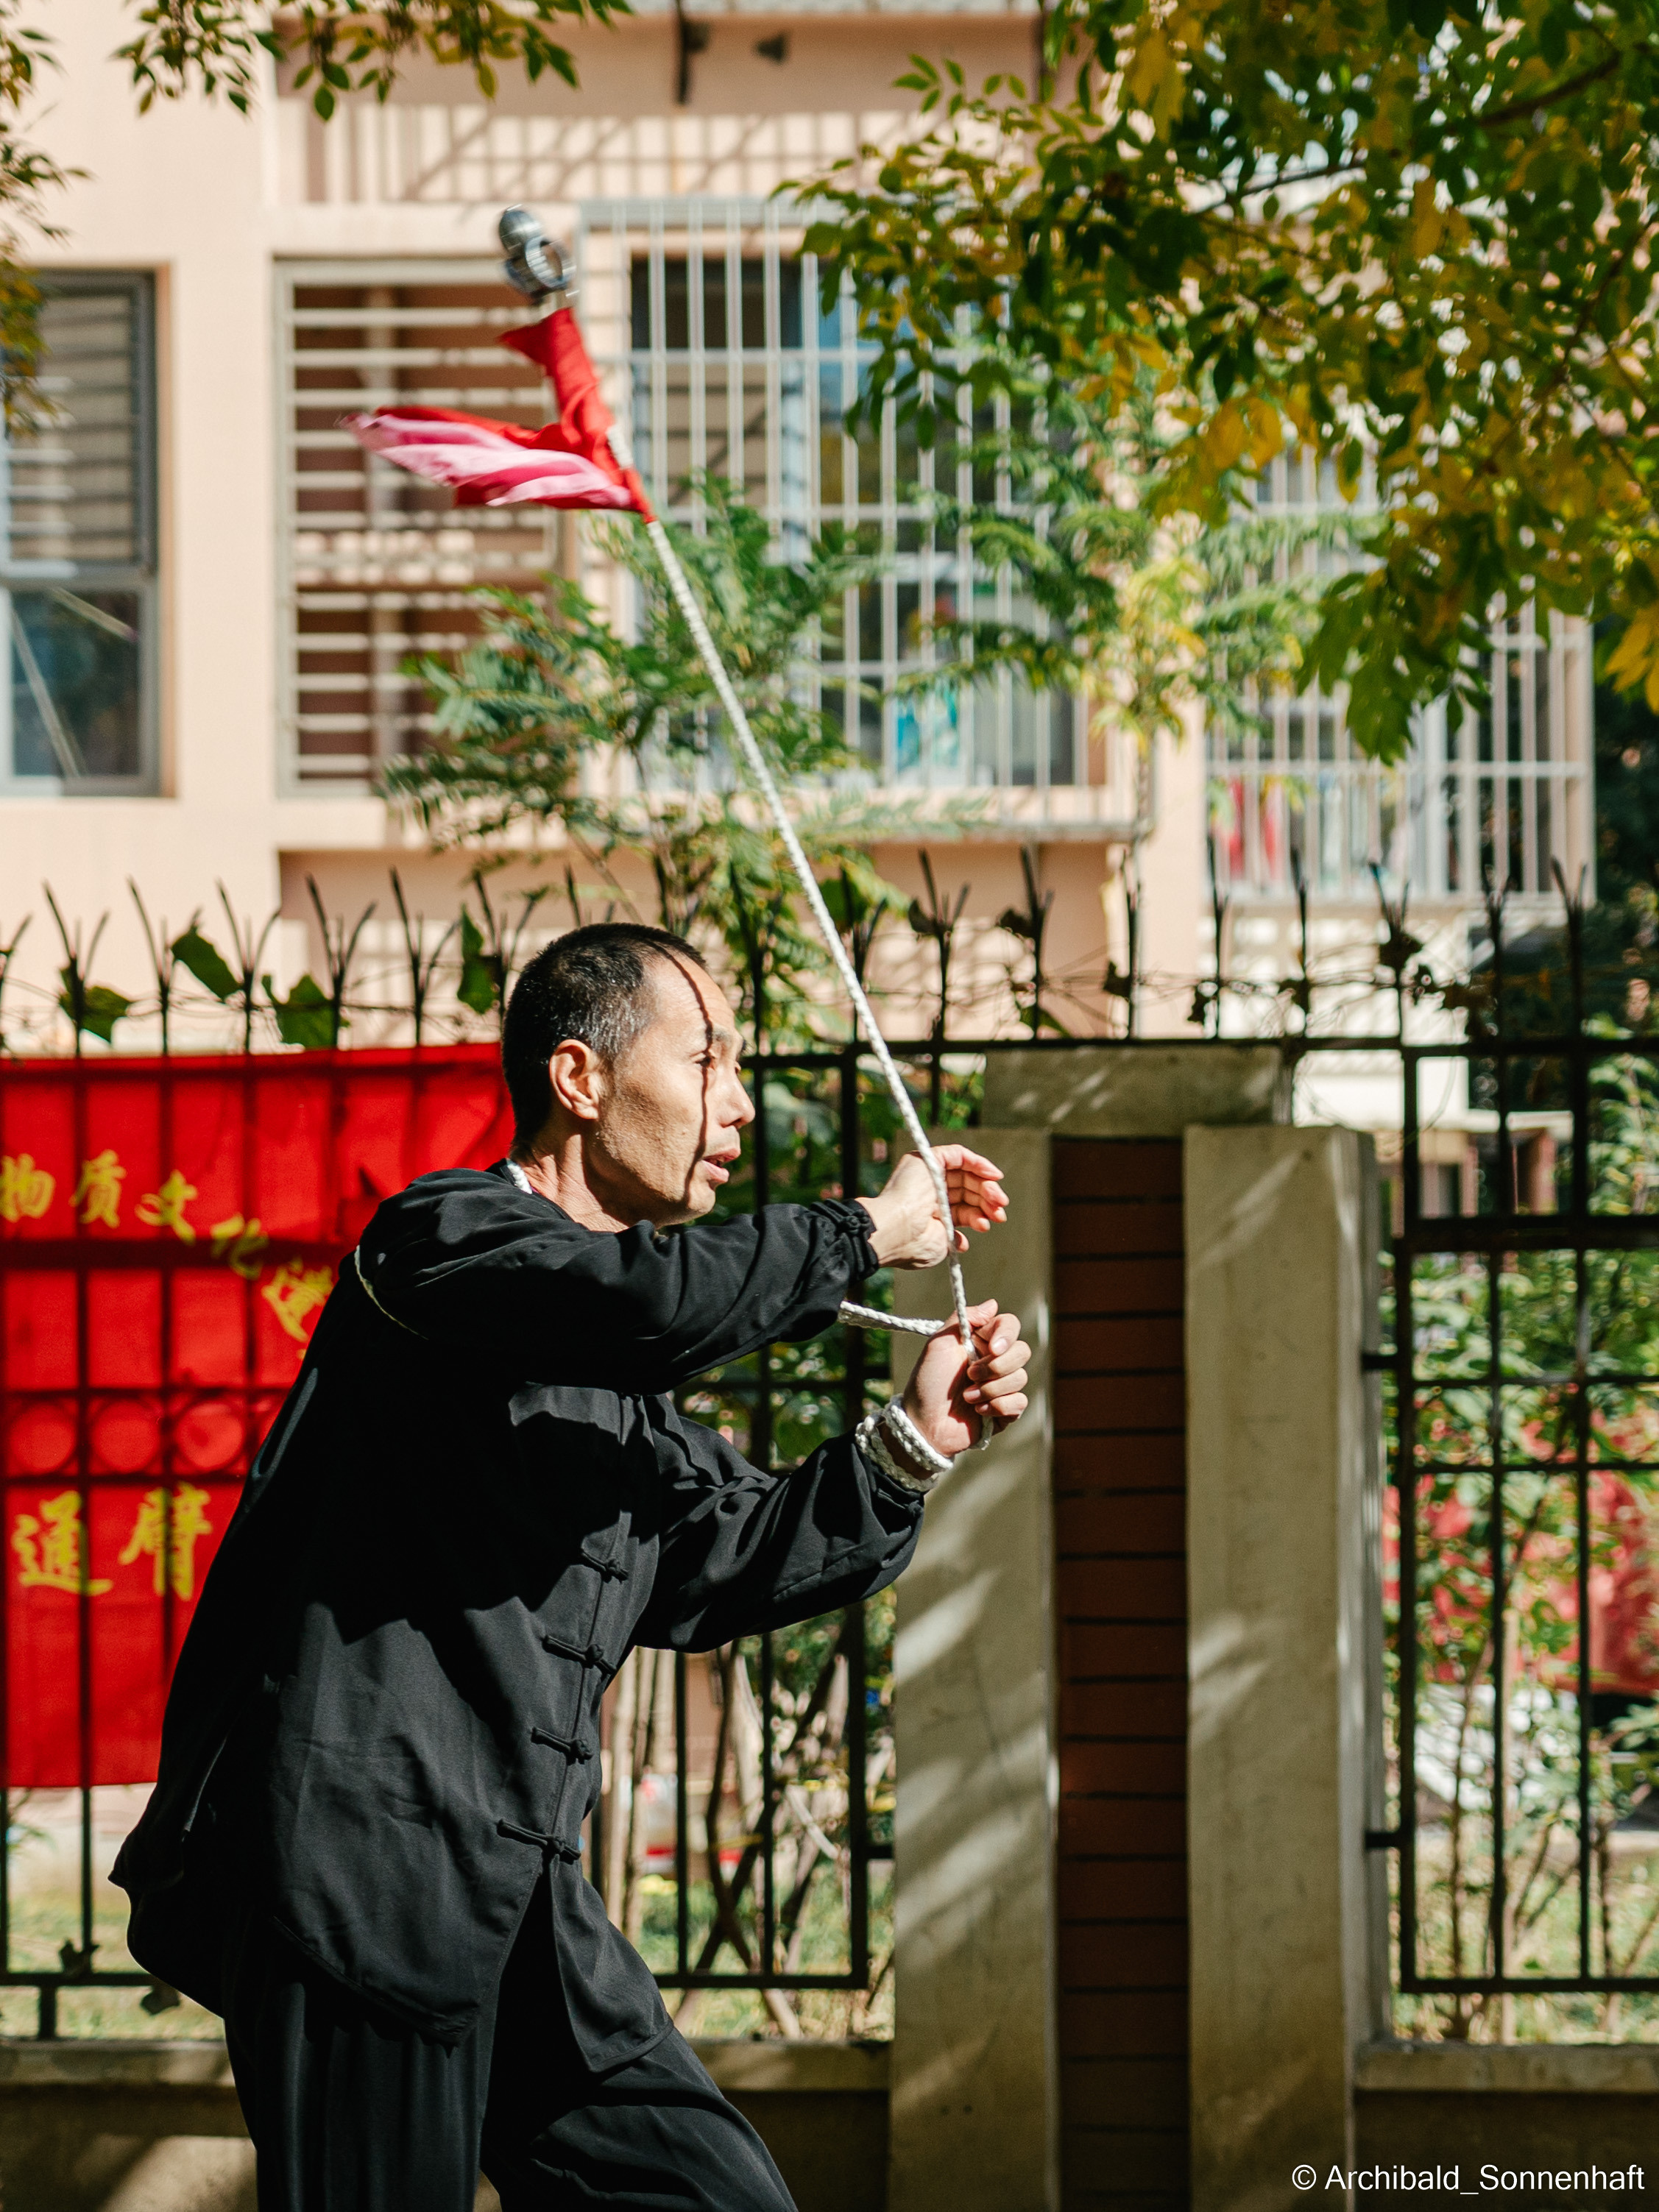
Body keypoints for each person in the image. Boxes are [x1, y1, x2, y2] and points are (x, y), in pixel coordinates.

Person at [113, 922, 1031, 2212]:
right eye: (706, 1059)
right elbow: (637, 1305)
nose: (738, 1100)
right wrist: (863, 1230)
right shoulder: (436, 1244)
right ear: (580, 1080)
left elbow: (719, 1560)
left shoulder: (617, 1380)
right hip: (357, 1877)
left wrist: (910, 1441)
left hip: (516, 1898)